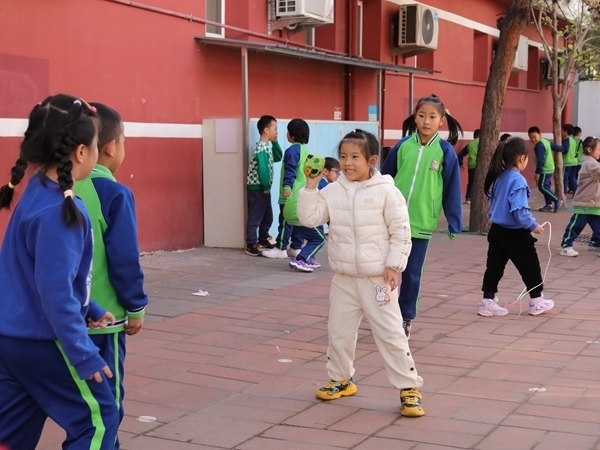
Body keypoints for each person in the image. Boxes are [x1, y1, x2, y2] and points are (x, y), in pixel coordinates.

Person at [0, 94, 119, 449]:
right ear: (81, 152)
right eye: (95, 145)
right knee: (99, 420)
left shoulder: (35, 194)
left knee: (11, 433)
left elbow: (39, 275)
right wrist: (83, 353)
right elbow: (55, 292)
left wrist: (89, 307)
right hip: (46, 343)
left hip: (12, 341)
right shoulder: (60, 211)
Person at [297, 129, 425, 417]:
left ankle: (408, 387)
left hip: (377, 280)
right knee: (339, 333)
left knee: (391, 334)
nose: (347, 163)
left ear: (372, 160)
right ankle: (341, 379)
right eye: (343, 156)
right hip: (344, 279)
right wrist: (310, 187)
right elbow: (309, 218)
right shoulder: (332, 191)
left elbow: (401, 231)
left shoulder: (387, 192)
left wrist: (394, 265)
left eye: (355, 157)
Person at [74, 102, 149, 444]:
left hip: (67, 317)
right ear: (109, 147)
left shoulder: (61, 187)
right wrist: (136, 306)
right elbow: (124, 259)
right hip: (105, 321)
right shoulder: (115, 193)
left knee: (82, 407)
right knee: (107, 406)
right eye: (124, 142)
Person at [381, 94, 463, 338]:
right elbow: (384, 179)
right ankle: (385, 315)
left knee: (412, 273)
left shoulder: (445, 151)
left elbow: (452, 188)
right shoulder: (403, 146)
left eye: (432, 117)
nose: (427, 121)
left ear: (441, 120)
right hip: (391, 221)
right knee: (384, 269)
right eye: (422, 115)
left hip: (421, 223)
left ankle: (405, 317)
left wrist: (454, 220)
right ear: (415, 118)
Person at [478, 137, 555, 317]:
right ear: (522, 158)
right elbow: (520, 210)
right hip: (516, 234)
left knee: (494, 267)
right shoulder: (518, 180)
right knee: (530, 267)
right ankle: (537, 301)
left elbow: (494, 204)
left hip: (497, 231)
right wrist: (533, 225)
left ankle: (487, 300)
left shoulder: (499, 177)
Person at [262, 118, 308, 260]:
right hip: (301, 193)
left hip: (289, 194)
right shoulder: (304, 150)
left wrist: (287, 186)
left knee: (285, 221)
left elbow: (290, 170)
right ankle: (296, 247)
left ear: (292, 135)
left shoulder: (291, 151)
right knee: (297, 221)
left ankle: (281, 248)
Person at [244, 115, 283, 256]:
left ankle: (263, 239)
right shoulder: (262, 148)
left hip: (264, 188)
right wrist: (266, 187)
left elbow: (278, 157)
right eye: (275, 129)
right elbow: (263, 169)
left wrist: (276, 143)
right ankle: (250, 243)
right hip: (258, 188)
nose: (276, 131)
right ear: (266, 130)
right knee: (255, 216)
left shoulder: (268, 146)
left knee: (268, 216)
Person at [559, 137, 600, 257]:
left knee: (598, 227)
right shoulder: (589, 163)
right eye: (599, 149)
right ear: (589, 149)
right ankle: (566, 245)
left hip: (593, 203)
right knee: (576, 226)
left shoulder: (592, 163)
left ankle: (595, 243)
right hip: (584, 202)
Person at [527, 126, 562, 213]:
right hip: (550, 168)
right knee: (546, 187)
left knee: (542, 187)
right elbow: (555, 147)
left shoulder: (539, 146)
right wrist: (563, 149)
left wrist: (537, 173)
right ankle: (549, 204)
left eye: (534, 137)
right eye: (531, 138)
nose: (533, 139)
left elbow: (541, 160)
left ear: (540, 134)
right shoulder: (545, 141)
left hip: (545, 169)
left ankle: (556, 200)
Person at [457, 128, 480, 204]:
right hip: (480, 166)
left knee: (471, 182)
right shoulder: (484, 143)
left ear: (474, 136)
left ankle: (468, 198)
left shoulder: (470, 144)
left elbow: (461, 154)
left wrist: (460, 163)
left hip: (471, 166)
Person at [559, 124, 579, 195]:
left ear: (566, 131)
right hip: (574, 162)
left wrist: (558, 148)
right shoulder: (573, 140)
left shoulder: (566, 140)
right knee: (572, 178)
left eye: (562, 130)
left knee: (564, 178)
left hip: (567, 162)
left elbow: (565, 149)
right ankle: (576, 191)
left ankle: (563, 193)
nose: (561, 132)